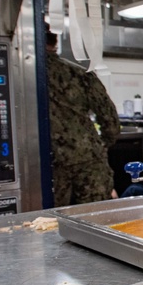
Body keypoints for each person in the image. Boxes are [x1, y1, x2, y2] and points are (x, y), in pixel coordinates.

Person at [45, 24, 121, 206]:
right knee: (94, 217)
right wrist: (99, 145)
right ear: (55, 43)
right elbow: (111, 122)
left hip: (48, 163)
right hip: (88, 161)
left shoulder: (23, 76)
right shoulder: (80, 74)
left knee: (50, 222)